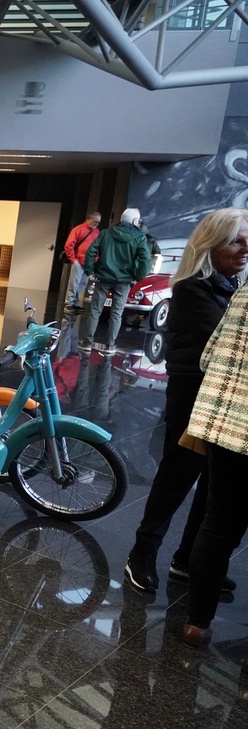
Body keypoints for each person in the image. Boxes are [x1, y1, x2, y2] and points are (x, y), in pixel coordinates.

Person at [123, 208, 248, 593]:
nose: (245, 248)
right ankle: (141, 553)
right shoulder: (193, 287)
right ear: (210, 245)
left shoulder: (231, 284)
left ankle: (189, 560)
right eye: (236, 240)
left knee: (213, 482)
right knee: (178, 477)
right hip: (194, 394)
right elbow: (224, 344)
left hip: (222, 398)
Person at [181, 266, 248, 649]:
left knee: (219, 523)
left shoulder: (245, 290)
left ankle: (196, 624)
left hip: (228, 424)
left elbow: (210, 356)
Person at [81, 207, 152, 354]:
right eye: (138, 220)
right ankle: (110, 345)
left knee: (95, 311)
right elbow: (145, 259)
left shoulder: (106, 233)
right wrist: (137, 277)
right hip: (124, 282)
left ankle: (87, 342)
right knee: (116, 314)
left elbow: (91, 251)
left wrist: (90, 271)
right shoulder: (139, 238)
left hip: (103, 278)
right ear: (134, 221)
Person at [62, 211, 102, 318]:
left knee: (82, 284)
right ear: (89, 219)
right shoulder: (78, 229)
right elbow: (69, 245)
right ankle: (69, 304)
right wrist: (73, 259)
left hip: (88, 263)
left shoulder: (97, 232)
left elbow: (98, 248)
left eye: (98, 222)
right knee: (74, 283)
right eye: (95, 221)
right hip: (78, 261)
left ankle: (74, 304)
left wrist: (95, 259)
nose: (97, 224)